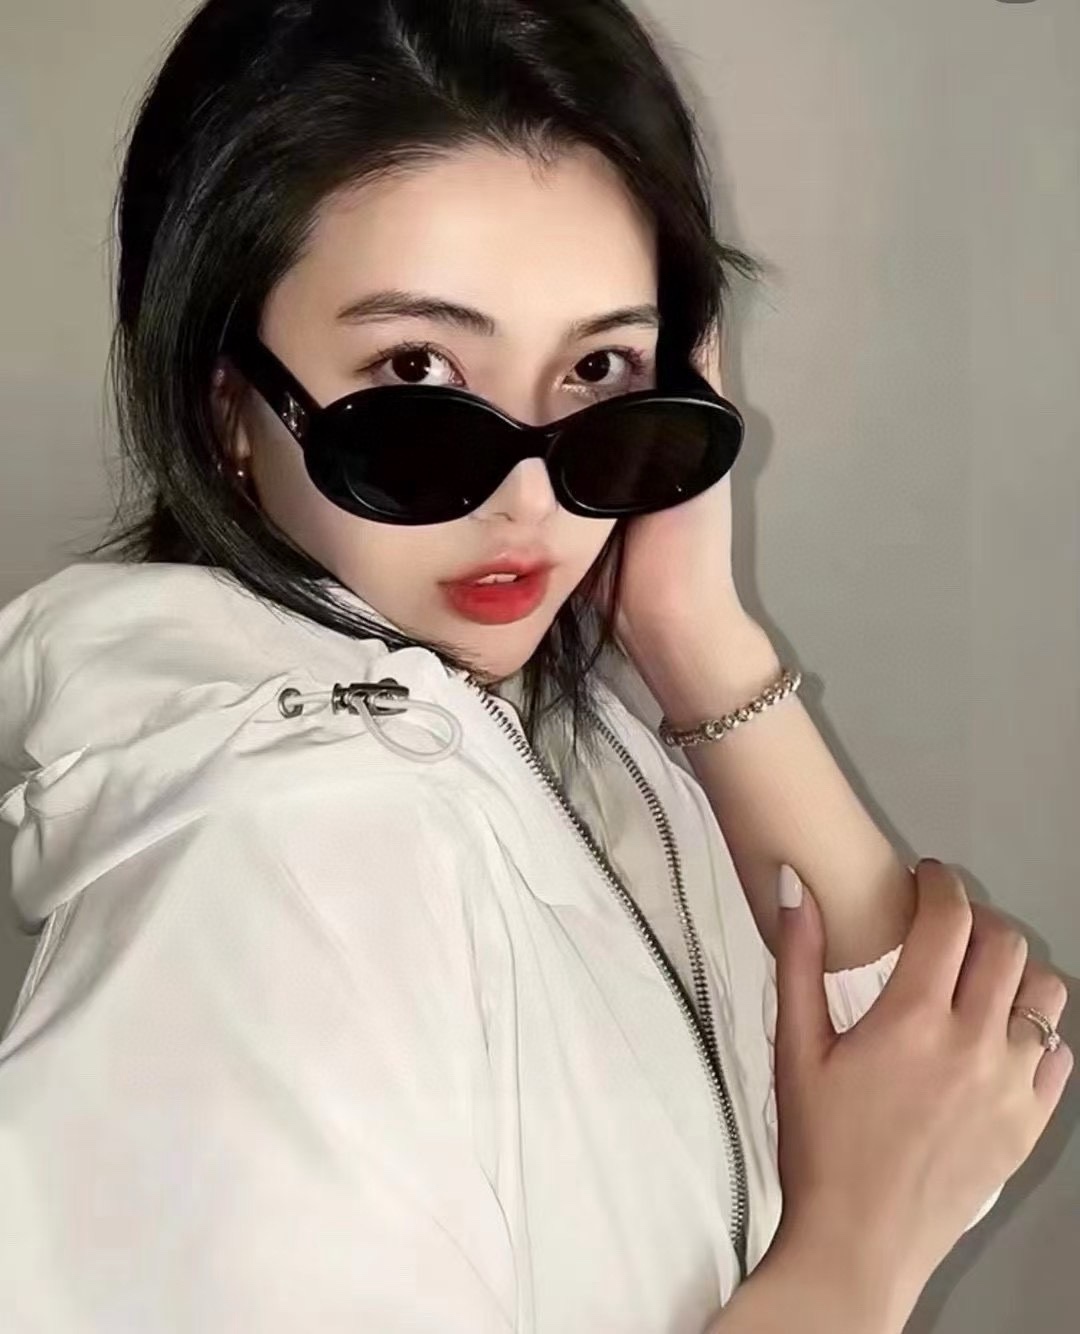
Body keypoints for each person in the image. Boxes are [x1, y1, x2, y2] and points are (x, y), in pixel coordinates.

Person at [0, 2, 1070, 1331]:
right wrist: (849, 1259)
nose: (532, 500)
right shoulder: (281, 867)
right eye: (417, 370)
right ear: (231, 407)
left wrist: (695, 632)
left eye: (599, 368)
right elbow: (890, 1190)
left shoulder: (548, 731)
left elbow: (934, 1109)